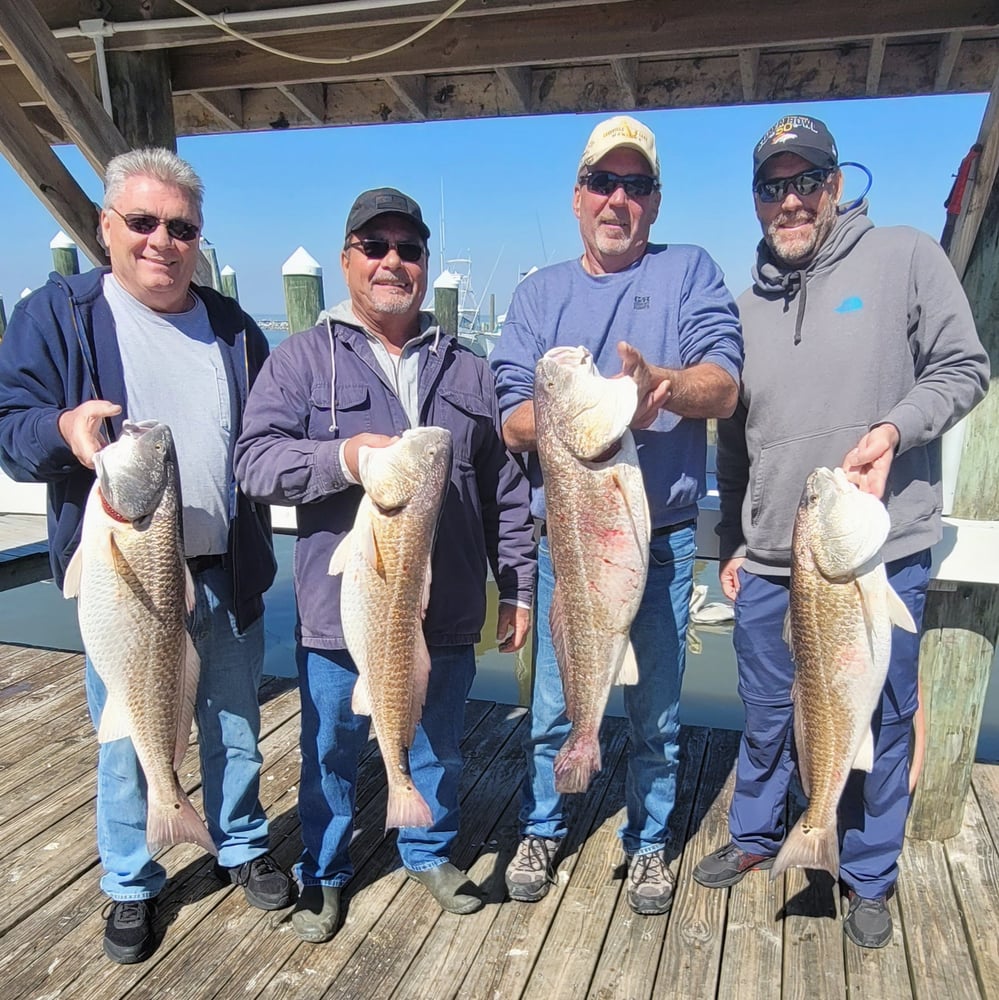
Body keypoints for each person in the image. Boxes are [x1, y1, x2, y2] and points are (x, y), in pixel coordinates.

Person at [692, 114, 990, 948]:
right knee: (763, 709)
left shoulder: (903, 258)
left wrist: (894, 430)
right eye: (770, 186)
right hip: (773, 560)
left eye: (804, 180)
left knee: (879, 716)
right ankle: (758, 837)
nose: (788, 200)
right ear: (755, 201)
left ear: (835, 183)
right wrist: (733, 543)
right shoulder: (744, 307)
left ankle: (865, 873)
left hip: (872, 557)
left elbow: (963, 366)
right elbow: (735, 441)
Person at [0, 148, 292, 963]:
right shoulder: (58, 315)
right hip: (127, 575)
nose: (162, 240)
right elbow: (10, 429)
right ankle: (132, 879)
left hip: (222, 571)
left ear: (200, 238)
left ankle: (238, 842)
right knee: (126, 730)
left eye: (182, 227)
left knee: (234, 723)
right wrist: (61, 434)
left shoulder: (234, 328)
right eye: (143, 222)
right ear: (105, 225)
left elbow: (263, 439)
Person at [234, 186, 535, 944]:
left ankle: (428, 848)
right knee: (330, 747)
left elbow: (506, 489)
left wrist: (520, 586)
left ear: (426, 264)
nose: (392, 261)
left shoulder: (471, 368)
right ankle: (326, 871)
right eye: (375, 246)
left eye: (408, 248)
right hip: (346, 615)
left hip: (451, 606)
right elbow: (255, 463)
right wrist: (342, 458)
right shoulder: (301, 361)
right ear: (346, 261)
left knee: (440, 740)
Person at [490, 115, 744, 915]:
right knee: (553, 704)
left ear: (654, 203)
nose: (617, 199)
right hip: (568, 540)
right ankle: (541, 822)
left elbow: (724, 384)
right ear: (577, 198)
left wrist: (662, 384)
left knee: (659, 714)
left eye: (635, 186)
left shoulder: (691, 273)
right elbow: (508, 418)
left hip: (660, 544)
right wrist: (575, 416)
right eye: (603, 182)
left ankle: (650, 844)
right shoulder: (537, 294)